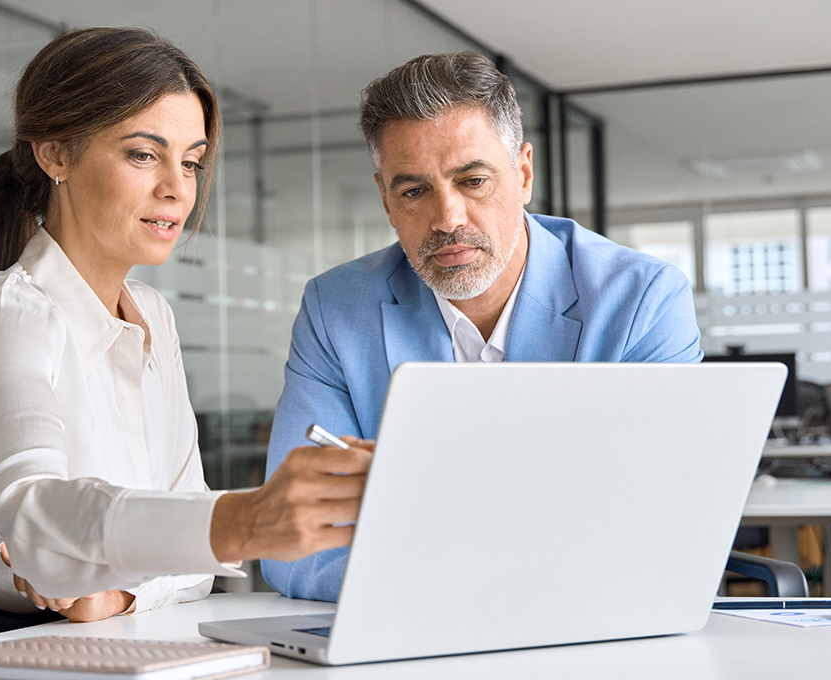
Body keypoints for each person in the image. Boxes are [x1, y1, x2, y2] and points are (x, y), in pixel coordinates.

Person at [0, 27, 373, 662]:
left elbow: (192, 569)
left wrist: (120, 596)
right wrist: (240, 521)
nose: (177, 189)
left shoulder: (153, 318)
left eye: (190, 161)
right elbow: (36, 517)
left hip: (84, 634)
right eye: (143, 155)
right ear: (55, 154)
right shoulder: (7, 314)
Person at [260, 52, 703, 602]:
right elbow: (292, 539)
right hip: (406, 634)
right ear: (385, 198)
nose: (448, 219)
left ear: (522, 174)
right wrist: (463, 596)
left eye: (472, 180)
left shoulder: (641, 299)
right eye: (414, 191)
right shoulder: (336, 309)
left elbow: (664, 517)